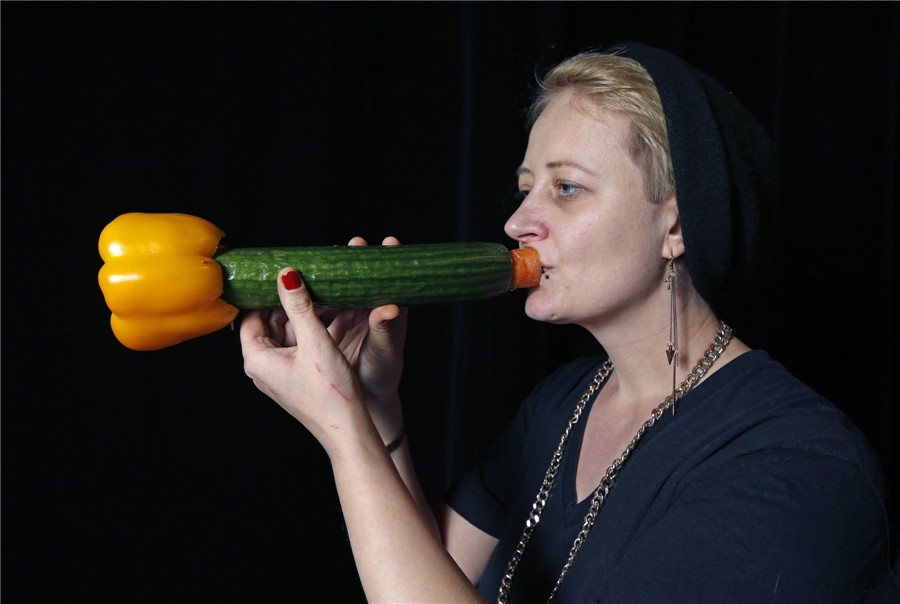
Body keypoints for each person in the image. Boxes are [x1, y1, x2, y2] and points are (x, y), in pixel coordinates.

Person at [239, 43, 898, 602]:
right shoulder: (559, 405)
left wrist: (338, 420)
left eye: (567, 188)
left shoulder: (797, 466)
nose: (517, 222)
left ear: (677, 224)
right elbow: (429, 574)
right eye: (527, 186)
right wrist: (374, 403)